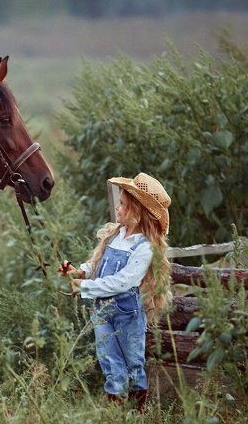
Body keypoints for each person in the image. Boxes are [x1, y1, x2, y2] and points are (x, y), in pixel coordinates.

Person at [58, 173, 173, 410]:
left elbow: (123, 281)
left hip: (127, 312)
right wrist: (80, 273)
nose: (117, 208)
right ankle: (115, 409)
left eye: (122, 204)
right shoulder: (116, 235)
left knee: (133, 361)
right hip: (101, 309)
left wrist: (85, 287)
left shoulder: (145, 248)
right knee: (109, 359)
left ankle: (138, 409)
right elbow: (98, 265)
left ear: (137, 212)